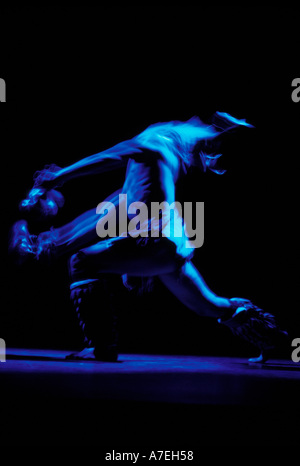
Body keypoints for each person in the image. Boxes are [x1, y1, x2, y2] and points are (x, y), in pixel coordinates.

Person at [9, 112, 288, 363]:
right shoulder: (170, 158)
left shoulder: (153, 142)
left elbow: (105, 159)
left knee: (81, 261)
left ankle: (100, 347)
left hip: (157, 243)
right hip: (171, 244)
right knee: (211, 306)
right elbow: (127, 204)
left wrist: (58, 177)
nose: (191, 120)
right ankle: (275, 339)